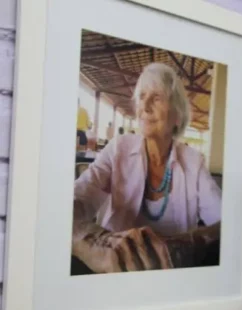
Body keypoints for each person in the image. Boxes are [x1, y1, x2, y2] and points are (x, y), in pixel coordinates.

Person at [72, 62, 222, 274]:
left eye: (157, 97)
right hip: (113, 273)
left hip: (171, 276)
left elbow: (225, 223)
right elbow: (78, 196)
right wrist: (91, 239)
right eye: (142, 97)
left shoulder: (193, 162)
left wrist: (176, 247)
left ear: (176, 117)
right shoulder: (119, 148)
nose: (145, 106)